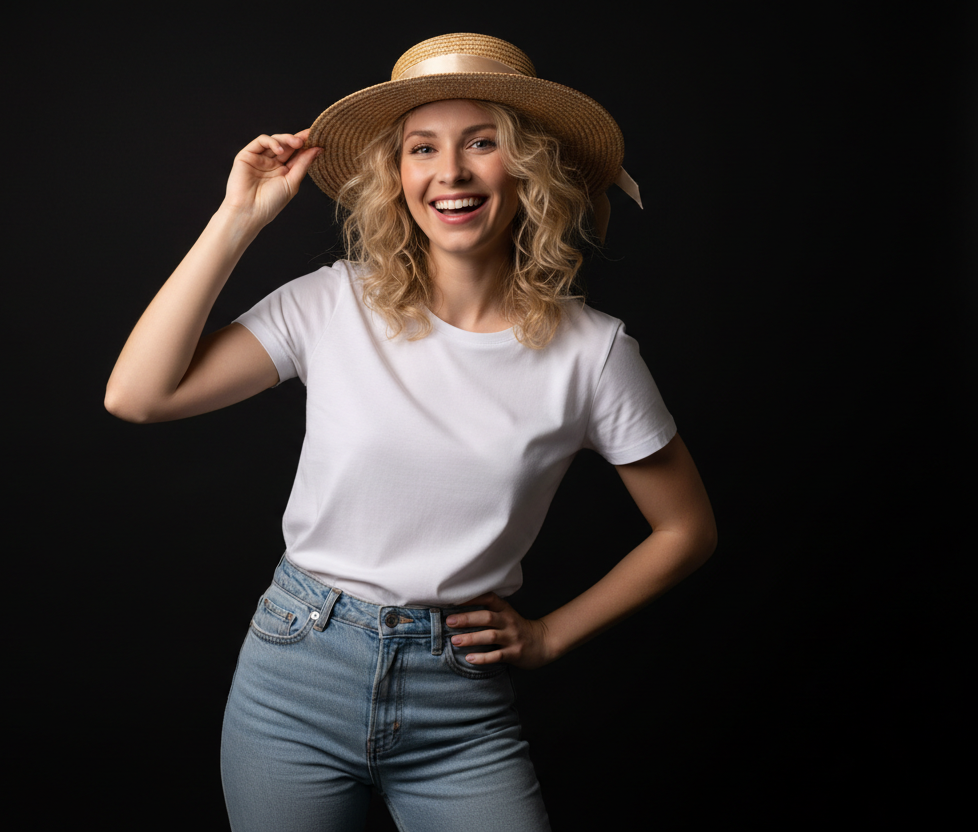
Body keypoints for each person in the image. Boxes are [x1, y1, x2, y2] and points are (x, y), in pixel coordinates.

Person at [105, 33, 716, 832]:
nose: (450, 172)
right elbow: (138, 396)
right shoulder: (333, 303)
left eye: (482, 143)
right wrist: (236, 219)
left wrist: (550, 638)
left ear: (527, 168)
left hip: (458, 701)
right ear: (397, 175)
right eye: (422, 148)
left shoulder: (593, 352)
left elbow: (687, 529)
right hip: (297, 670)